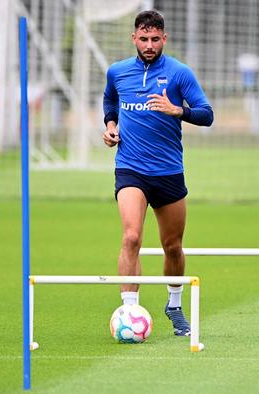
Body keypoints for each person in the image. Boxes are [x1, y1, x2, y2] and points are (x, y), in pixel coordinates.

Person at [102, 10, 214, 336]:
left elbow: (207, 115)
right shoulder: (117, 71)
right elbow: (110, 100)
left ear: (164, 39)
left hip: (168, 172)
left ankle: (175, 305)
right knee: (132, 236)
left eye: (155, 39)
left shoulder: (180, 74)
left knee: (173, 247)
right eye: (143, 39)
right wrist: (111, 127)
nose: (149, 45)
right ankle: (129, 308)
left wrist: (177, 110)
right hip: (130, 169)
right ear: (133, 38)